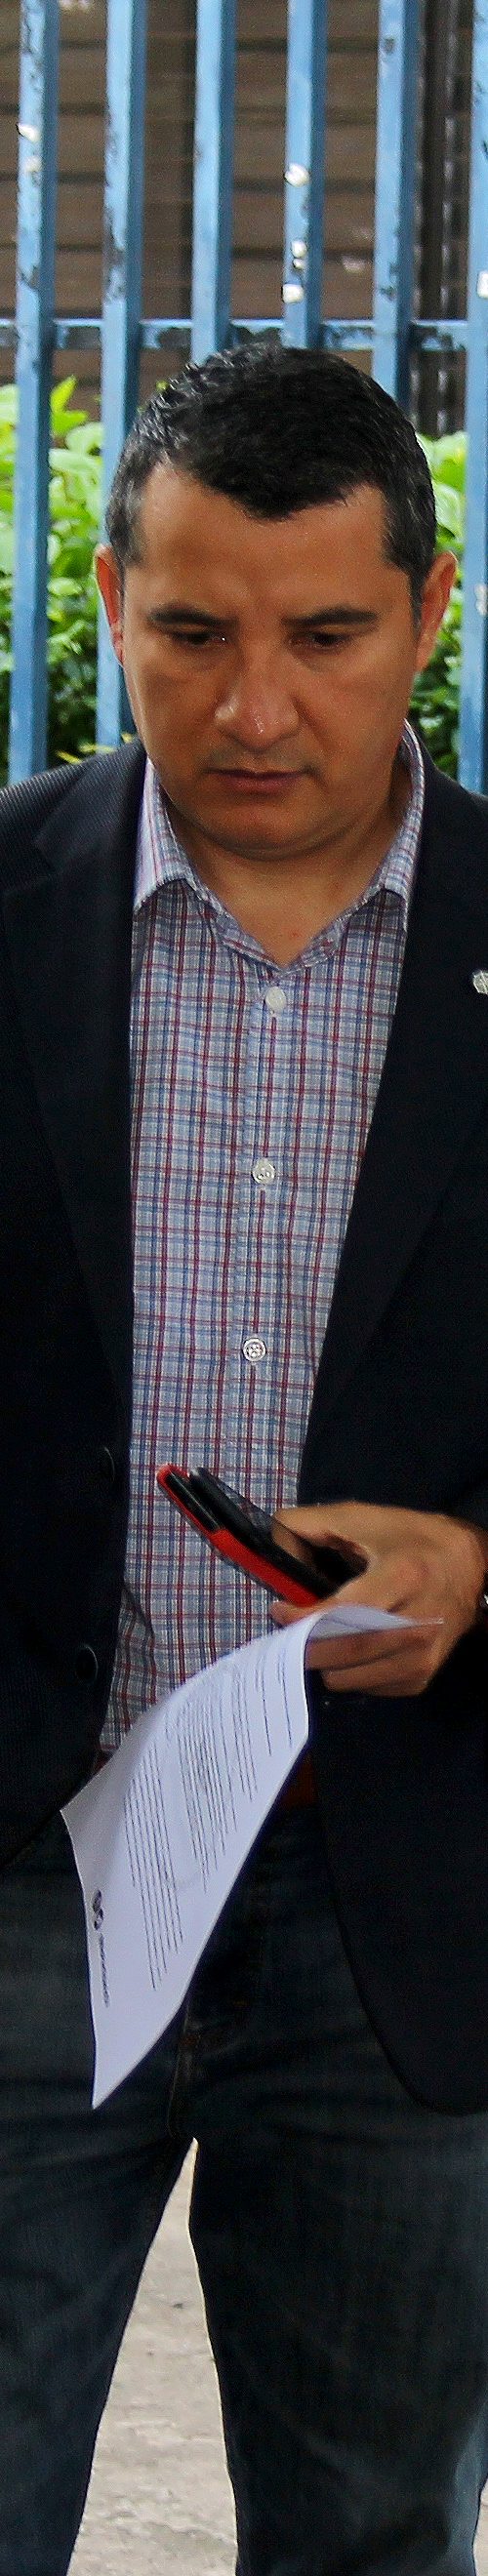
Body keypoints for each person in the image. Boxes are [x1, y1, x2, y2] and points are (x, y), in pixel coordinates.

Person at [1, 342, 488, 2576]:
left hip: (406, 1905)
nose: (257, 710)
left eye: (328, 637)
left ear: (431, 607)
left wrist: (483, 1561)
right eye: (192, 633)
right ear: (110, 599)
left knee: (374, 2537)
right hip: (30, 1866)